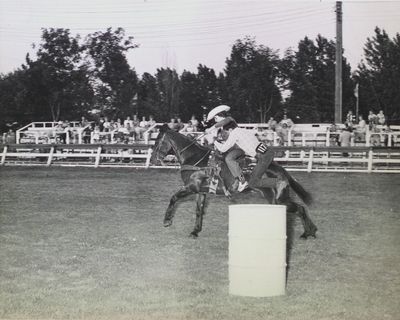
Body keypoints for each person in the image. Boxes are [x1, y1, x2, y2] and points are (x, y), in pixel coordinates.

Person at [206, 105, 287, 197]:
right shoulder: (242, 131)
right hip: (264, 153)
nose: (226, 134)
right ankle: (242, 180)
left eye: (226, 131)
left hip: (262, 156)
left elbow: (223, 148)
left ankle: (280, 182)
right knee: (231, 159)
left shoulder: (233, 131)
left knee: (253, 182)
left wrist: (213, 140)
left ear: (229, 129)